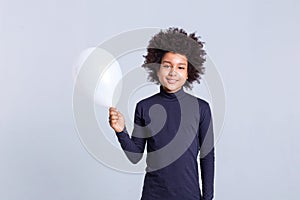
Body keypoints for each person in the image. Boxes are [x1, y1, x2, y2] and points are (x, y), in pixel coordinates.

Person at [109, 27, 215, 200]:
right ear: (157, 68)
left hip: (189, 195)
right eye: (167, 66)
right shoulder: (144, 106)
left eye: (180, 67)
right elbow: (135, 156)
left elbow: (207, 156)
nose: (173, 72)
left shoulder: (201, 108)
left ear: (188, 73)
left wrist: (208, 197)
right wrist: (121, 131)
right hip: (154, 195)